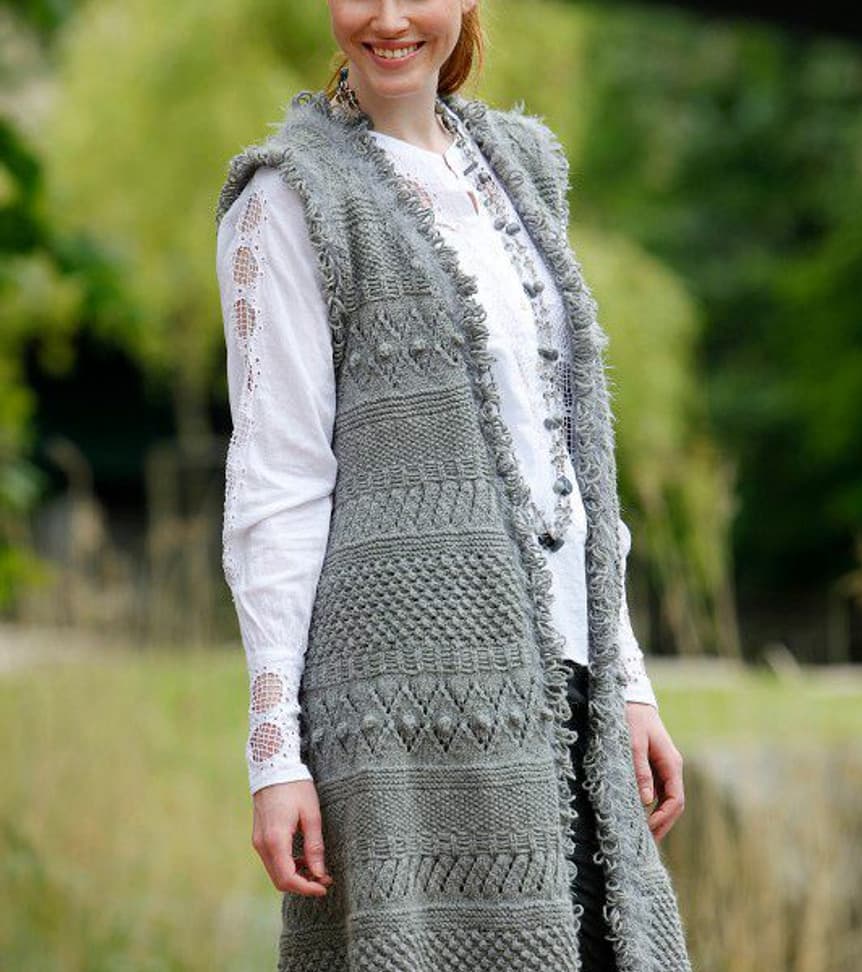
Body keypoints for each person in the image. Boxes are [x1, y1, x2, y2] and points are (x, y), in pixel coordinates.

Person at [214, 1, 693, 969]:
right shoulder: (289, 196)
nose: (389, 18)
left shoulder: (522, 167)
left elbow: (566, 454)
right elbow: (278, 484)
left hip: (569, 688)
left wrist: (630, 682)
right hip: (399, 710)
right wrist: (275, 755)